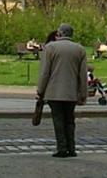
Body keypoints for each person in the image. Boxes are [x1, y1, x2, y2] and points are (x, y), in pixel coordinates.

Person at [35, 23, 87, 158]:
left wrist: (40, 89)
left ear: (60, 33)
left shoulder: (50, 48)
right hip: (71, 92)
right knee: (70, 120)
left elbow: (45, 72)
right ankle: (72, 148)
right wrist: (83, 93)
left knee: (58, 120)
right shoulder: (79, 49)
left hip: (54, 91)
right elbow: (82, 74)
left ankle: (62, 148)